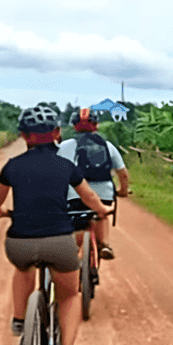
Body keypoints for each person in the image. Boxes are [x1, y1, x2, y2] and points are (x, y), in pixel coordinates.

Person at [0, 105, 113, 345]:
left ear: (23, 136)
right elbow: (90, 198)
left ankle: (20, 320)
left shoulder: (12, 166)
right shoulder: (66, 166)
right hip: (59, 242)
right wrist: (103, 211)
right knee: (69, 294)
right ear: (56, 133)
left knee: (23, 269)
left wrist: (4, 212)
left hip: (19, 243)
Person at [57, 107, 130, 260]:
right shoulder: (107, 146)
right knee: (101, 213)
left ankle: (75, 256)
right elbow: (123, 174)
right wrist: (123, 190)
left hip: (74, 195)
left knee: (76, 229)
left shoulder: (64, 146)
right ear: (96, 125)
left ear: (74, 126)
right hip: (104, 193)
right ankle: (103, 244)